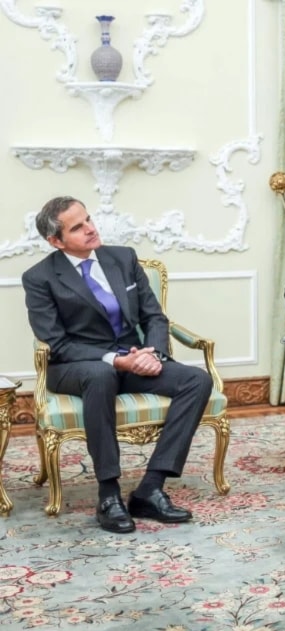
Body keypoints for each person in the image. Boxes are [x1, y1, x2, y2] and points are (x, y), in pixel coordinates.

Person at [22, 196, 213, 534]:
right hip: (77, 365)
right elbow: (60, 344)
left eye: (89, 219)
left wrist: (151, 353)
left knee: (197, 380)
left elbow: (154, 316)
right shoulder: (40, 278)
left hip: (134, 358)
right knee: (101, 374)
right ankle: (108, 495)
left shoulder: (122, 258)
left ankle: (150, 489)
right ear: (55, 240)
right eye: (78, 227)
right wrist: (116, 360)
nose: (91, 228)